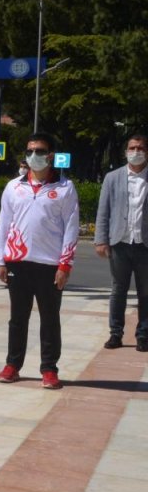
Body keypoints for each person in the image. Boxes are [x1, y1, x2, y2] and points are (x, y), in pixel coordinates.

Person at [0, 133, 79, 390]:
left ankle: (49, 369)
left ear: (51, 155)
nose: (34, 156)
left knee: (49, 319)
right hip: (18, 262)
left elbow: (71, 228)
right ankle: (12, 365)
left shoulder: (65, 188)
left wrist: (65, 265)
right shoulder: (14, 187)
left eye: (40, 151)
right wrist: (0, 259)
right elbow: (4, 224)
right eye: (30, 150)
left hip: (49, 265)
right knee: (17, 318)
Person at [95, 134, 148, 350]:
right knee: (118, 290)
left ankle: (143, 334)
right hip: (119, 243)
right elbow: (103, 210)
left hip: (144, 245)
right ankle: (115, 333)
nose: (135, 152)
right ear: (126, 151)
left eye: (140, 148)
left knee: (145, 292)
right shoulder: (112, 177)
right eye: (132, 148)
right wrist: (101, 239)